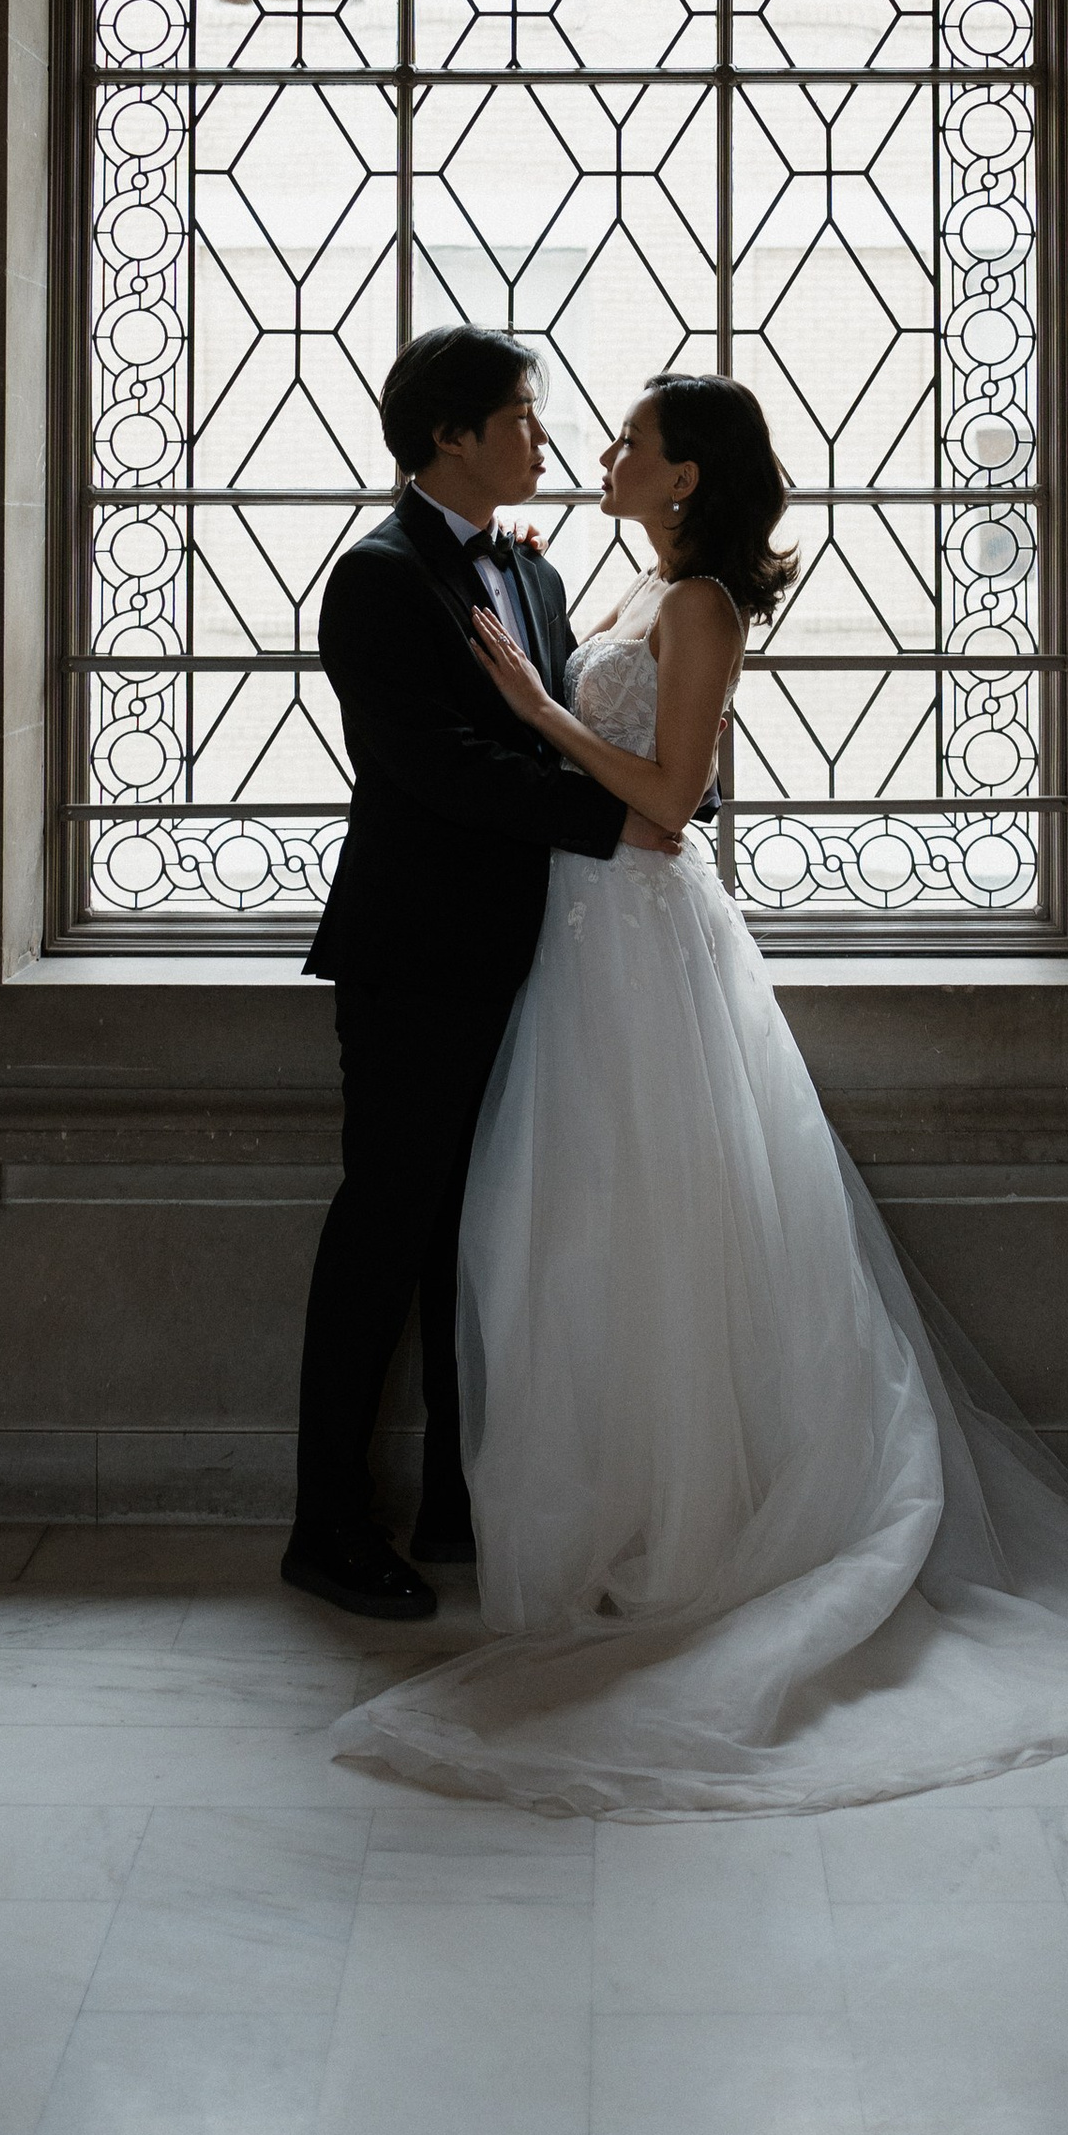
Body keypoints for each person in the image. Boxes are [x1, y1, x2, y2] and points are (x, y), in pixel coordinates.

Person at [330, 371, 1068, 1813]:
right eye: (588, 430)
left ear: (686, 479)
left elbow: (669, 796)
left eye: (632, 441)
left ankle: (684, 1526)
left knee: (652, 1217)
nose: (598, 453)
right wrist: (537, 700)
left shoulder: (697, 609)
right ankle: (575, 1505)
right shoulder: (606, 588)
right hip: (569, 934)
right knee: (565, 1226)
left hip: (632, 929)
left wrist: (528, 704)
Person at [282, 324, 681, 1625]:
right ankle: (327, 1527)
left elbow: (561, 729)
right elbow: (440, 767)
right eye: (520, 413)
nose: (545, 436)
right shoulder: (377, 581)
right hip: (416, 959)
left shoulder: (533, 575)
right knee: (386, 1232)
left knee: (486, 1231)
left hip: (540, 959)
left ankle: (463, 1500)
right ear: (450, 433)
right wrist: (624, 824)